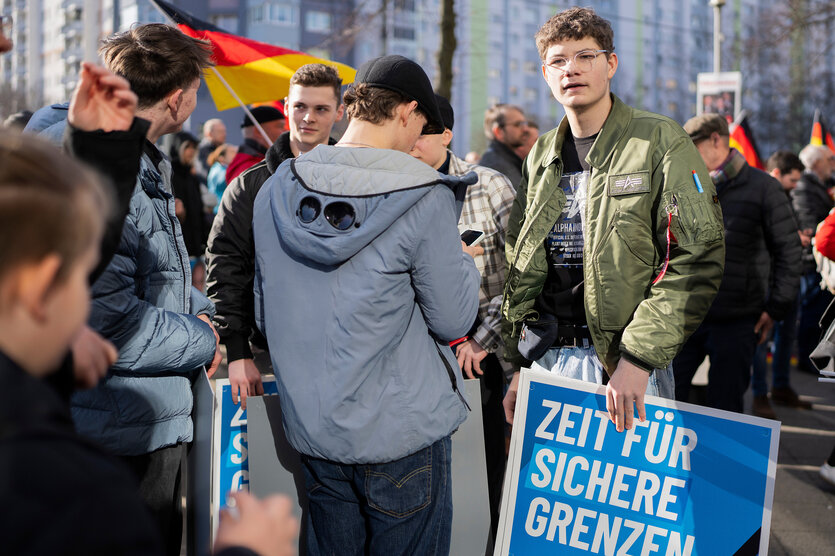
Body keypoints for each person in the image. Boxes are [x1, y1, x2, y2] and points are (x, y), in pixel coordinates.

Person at [0, 63, 297, 556]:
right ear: (40, 289)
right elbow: (112, 306)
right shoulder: (72, 490)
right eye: (79, 279)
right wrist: (244, 551)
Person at [252, 54, 481, 555]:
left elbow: (266, 313)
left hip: (314, 427)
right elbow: (453, 318)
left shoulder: (274, 188)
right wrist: (464, 260)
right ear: (407, 111)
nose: (418, 140)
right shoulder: (424, 192)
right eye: (421, 125)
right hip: (399, 431)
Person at [502, 7, 725, 432]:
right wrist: (518, 363)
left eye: (586, 55)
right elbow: (523, 260)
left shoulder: (659, 140)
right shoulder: (542, 152)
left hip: (623, 366)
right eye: (558, 60)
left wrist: (638, 359)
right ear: (545, 74)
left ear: (611, 64)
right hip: (546, 361)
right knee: (551, 499)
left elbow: (696, 258)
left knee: (633, 494)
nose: (572, 69)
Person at [68, 24, 223, 555]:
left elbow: (158, 282)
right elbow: (110, 323)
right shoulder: (115, 174)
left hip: (139, 421)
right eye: (198, 90)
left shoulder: (139, 161)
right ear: (178, 98)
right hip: (121, 430)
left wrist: (209, 314)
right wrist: (203, 338)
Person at [409, 93, 516, 544]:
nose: (407, 143)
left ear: (446, 134)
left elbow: (521, 276)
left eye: (419, 135)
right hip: (415, 357)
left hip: (479, 353)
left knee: (483, 469)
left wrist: (482, 341)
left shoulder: (490, 186)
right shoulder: (389, 185)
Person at [207, 63, 344, 409]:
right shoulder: (248, 187)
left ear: (339, 112)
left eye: (321, 108)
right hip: (268, 355)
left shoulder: (360, 182)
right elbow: (225, 266)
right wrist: (237, 352)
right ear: (286, 107)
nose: (308, 117)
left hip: (348, 353)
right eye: (300, 106)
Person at [672, 114, 801, 413]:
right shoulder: (686, 185)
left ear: (716, 139)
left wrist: (775, 307)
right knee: (664, 404)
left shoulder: (763, 188)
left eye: (692, 145)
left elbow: (789, 251)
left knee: (725, 410)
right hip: (682, 317)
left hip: (737, 321)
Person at [751, 151, 812, 418]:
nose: (796, 186)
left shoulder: (785, 197)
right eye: (792, 180)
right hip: (766, 281)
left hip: (786, 280)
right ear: (777, 174)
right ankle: (759, 394)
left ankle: (780, 386)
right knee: (762, 340)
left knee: (786, 337)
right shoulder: (761, 196)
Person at [793, 144, 835, 374]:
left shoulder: (817, 185)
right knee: (812, 314)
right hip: (812, 262)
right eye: (830, 159)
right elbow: (811, 227)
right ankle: (807, 359)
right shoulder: (805, 187)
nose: (833, 164)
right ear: (817, 162)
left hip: (819, 261)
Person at [170, 131, 211, 290]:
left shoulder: (192, 176)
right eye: (188, 147)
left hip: (195, 249)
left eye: (194, 148)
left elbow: (198, 211)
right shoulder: (170, 175)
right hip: (180, 250)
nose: (191, 152)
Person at [226, 106, 285, 183]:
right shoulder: (250, 169)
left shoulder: (253, 163)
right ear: (259, 132)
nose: (285, 131)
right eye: (280, 126)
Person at [479, 103, 531, 187]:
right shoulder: (496, 167)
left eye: (524, 123)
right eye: (518, 124)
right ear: (499, 132)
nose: (525, 129)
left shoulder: (508, 160)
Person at [207, 143, 237, 213]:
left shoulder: (223, 168)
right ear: (222, 158)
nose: (235, 154)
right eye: (231, 152)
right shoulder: (217, 170)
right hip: (221, 210)